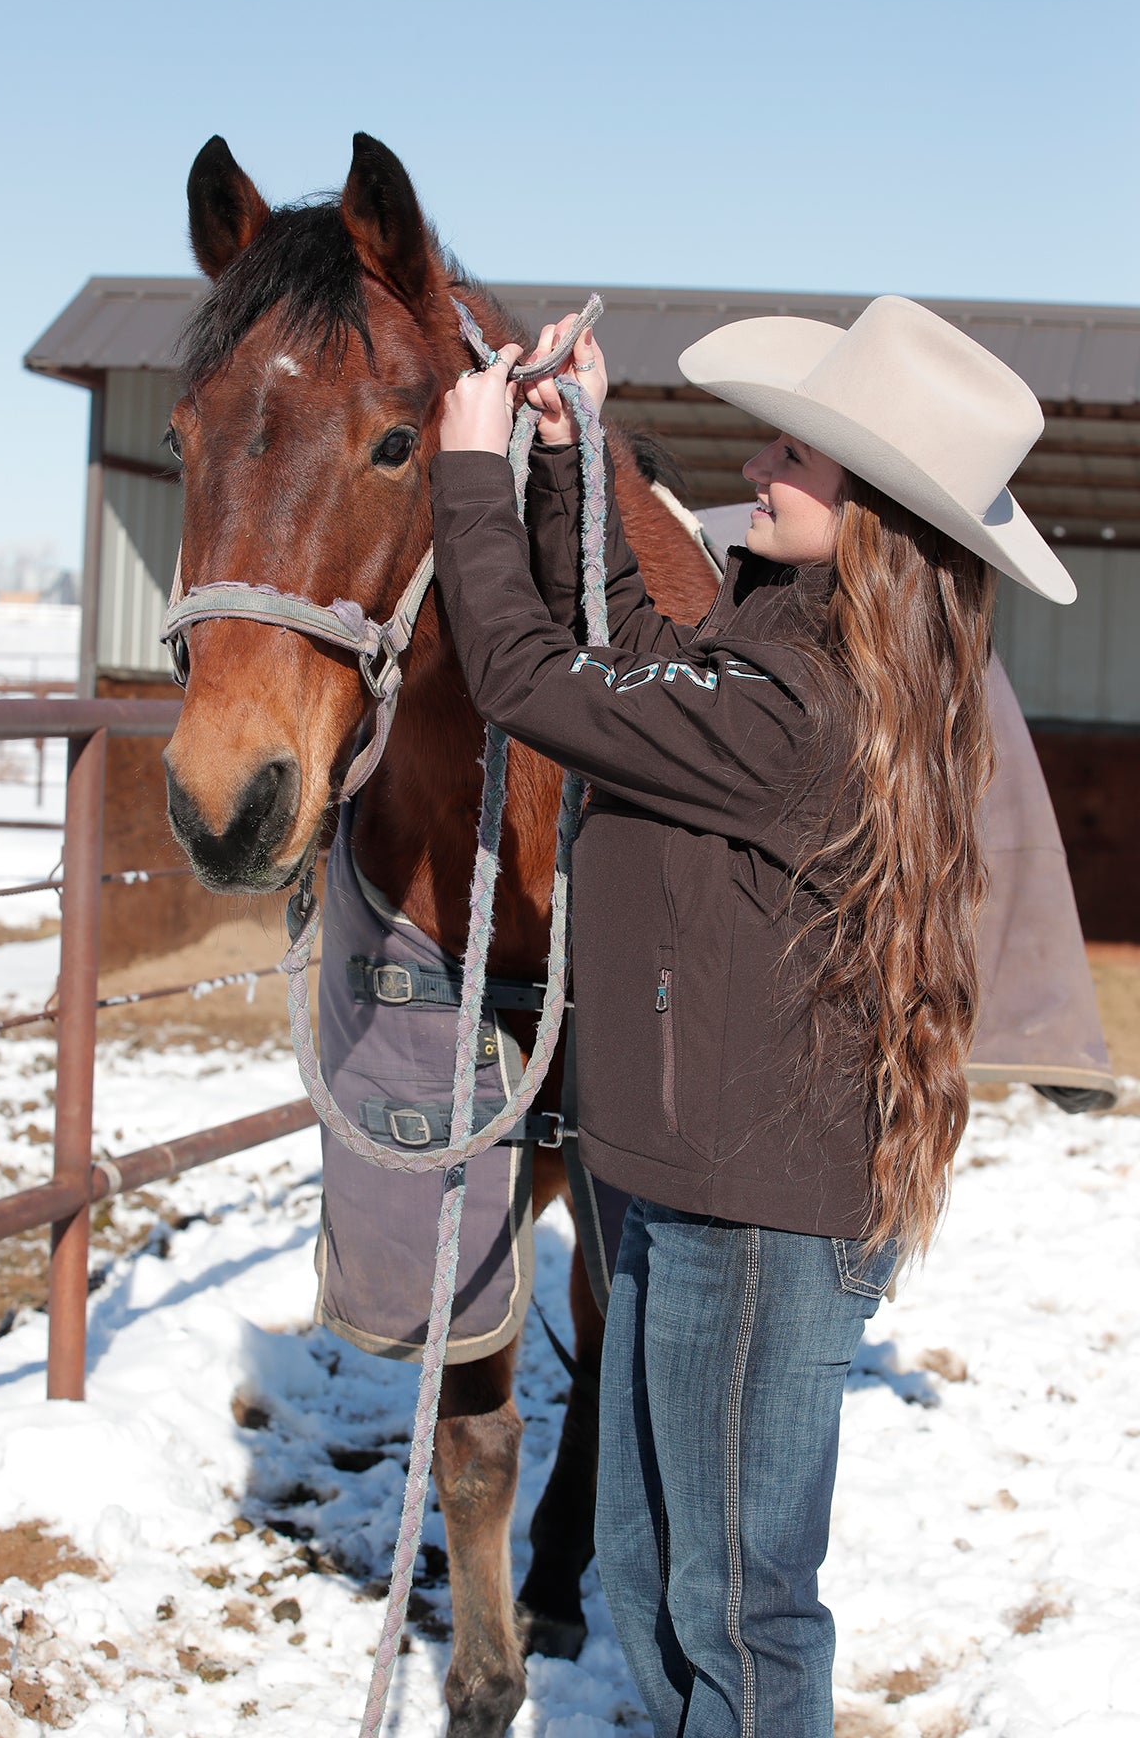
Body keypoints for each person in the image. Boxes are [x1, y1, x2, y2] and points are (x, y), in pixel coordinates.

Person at [429, 295, 1075, 1736]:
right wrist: (567, 455)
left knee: (743, 1609)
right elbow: (628, 650)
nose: (763, 462)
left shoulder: (802, 707)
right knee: (656, 1577)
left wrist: (467, 474)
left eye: (803, 454)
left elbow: (533, 678)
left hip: (750, 1212)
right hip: (676, 1177)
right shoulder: (772, 645)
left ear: (879, 521)